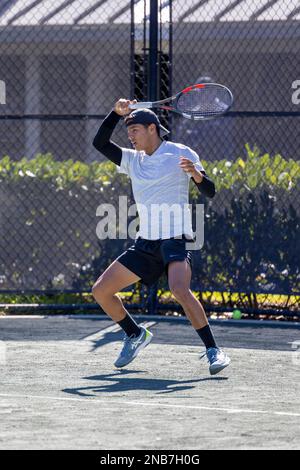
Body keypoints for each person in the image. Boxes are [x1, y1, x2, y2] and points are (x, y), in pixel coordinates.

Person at [92, 98, 230, 375]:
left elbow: (211, 192)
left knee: (179, 290)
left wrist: (198, 177)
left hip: (174, 240)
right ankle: (135, 334)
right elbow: (100, 143)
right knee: (101, 291)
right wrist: (115, 114)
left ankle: (213, 350)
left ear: (152, 128)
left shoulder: (181, 152)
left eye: (135, 131)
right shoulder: (132, 160)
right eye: (128, 132)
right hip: (146, 243)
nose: (130, 137)